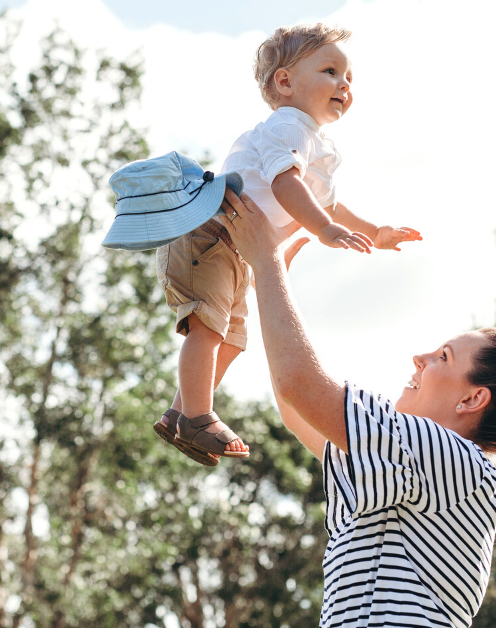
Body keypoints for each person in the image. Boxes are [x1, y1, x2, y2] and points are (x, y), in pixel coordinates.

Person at [216, 189, 496, 627]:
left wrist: (266, 263)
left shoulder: (453, 459)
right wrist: (272, 278)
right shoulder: (421, 467)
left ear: (472, 399)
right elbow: (296, 407)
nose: (419, 358)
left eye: (443, 357)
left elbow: (300, 387)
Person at [154, 23, 422, 465]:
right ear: (285, 81)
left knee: (233, 339)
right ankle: (198, 415)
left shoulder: (317, 143)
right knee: (209, 327)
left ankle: (181, 413)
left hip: (238, 249)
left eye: (349, 77)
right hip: (210, 234)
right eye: (331, 71)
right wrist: (323, 230)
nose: (344, 84)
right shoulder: (288, 126)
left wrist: (375, 232)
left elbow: (330, 205)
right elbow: (285, 185)